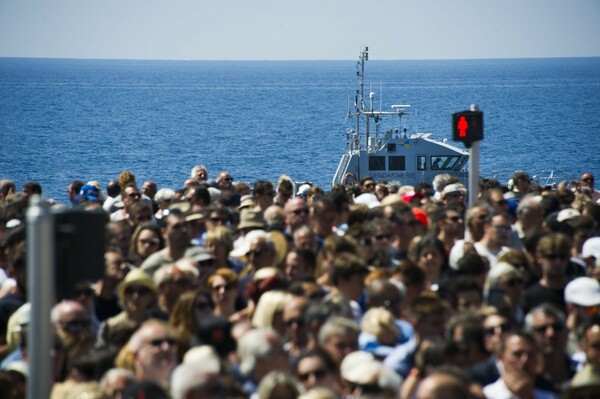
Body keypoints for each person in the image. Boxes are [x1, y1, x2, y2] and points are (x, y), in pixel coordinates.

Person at [483, 331, 557, 399]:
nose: (525, 360)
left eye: (531, 355)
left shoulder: (550, 396)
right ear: (501, 357)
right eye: (517, 354)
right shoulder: (487, 395)